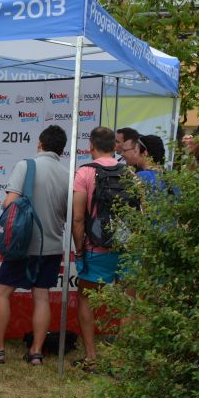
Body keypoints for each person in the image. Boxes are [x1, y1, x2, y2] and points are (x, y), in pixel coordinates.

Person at [0, 125, 68, 366]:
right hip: (53, 245)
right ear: (61, 150)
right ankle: (36, 352)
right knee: (42, 296)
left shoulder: (27, 166)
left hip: (24, 245)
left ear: (39, 144)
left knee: (1, 291)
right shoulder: (68, 174)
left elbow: (10, 203)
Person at [72, 126, 125, 371]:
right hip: (127, 248)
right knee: (128, 301)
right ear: (114, 146)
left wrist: (79, 249)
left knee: (86, 297)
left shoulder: (84, 172)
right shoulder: (130, 173)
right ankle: (123, 362)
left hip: (96, 247)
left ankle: (91, 358)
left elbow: (78, 218)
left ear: (90, 145)